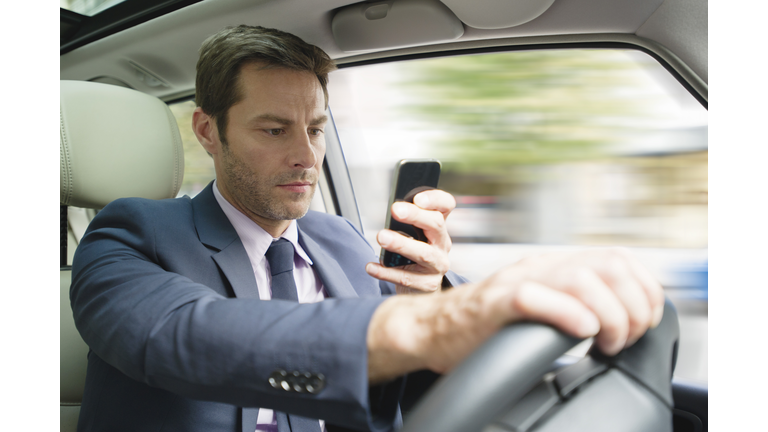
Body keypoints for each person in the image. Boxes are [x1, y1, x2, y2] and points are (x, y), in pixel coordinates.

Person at [70, 25, 665, 432]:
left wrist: (428, 297)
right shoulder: (128, 235)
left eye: (316, 128)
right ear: (208, 132)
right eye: (274, 130)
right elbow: (184, 336)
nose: (307, 156)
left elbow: (411, 382)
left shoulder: (345, 240)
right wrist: (434, 324)